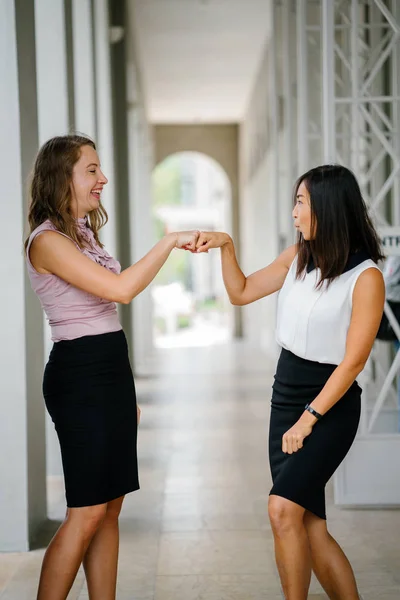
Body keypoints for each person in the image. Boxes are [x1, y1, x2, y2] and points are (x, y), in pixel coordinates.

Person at [194, 165, 385, 600]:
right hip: (286, 395)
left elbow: (353, 362)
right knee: (308, 524)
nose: (294, 212)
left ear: (329, 209)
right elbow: (241, 292)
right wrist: (226, 245)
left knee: (281, 510)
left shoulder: (365, 277)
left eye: (301, 202)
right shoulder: (297, 257)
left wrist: (309, 419)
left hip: (329, 404)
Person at [25, 134, 199, 600]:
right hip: (79, 377)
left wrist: (127, 393)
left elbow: (106, 315)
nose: (102, 179)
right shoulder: (47, 241)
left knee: (108, 511)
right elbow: (119, 291)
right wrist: (170, 242)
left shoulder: (82, 232)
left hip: (108, 371)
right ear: (63, 175)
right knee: (85, 511)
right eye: (92, 170)